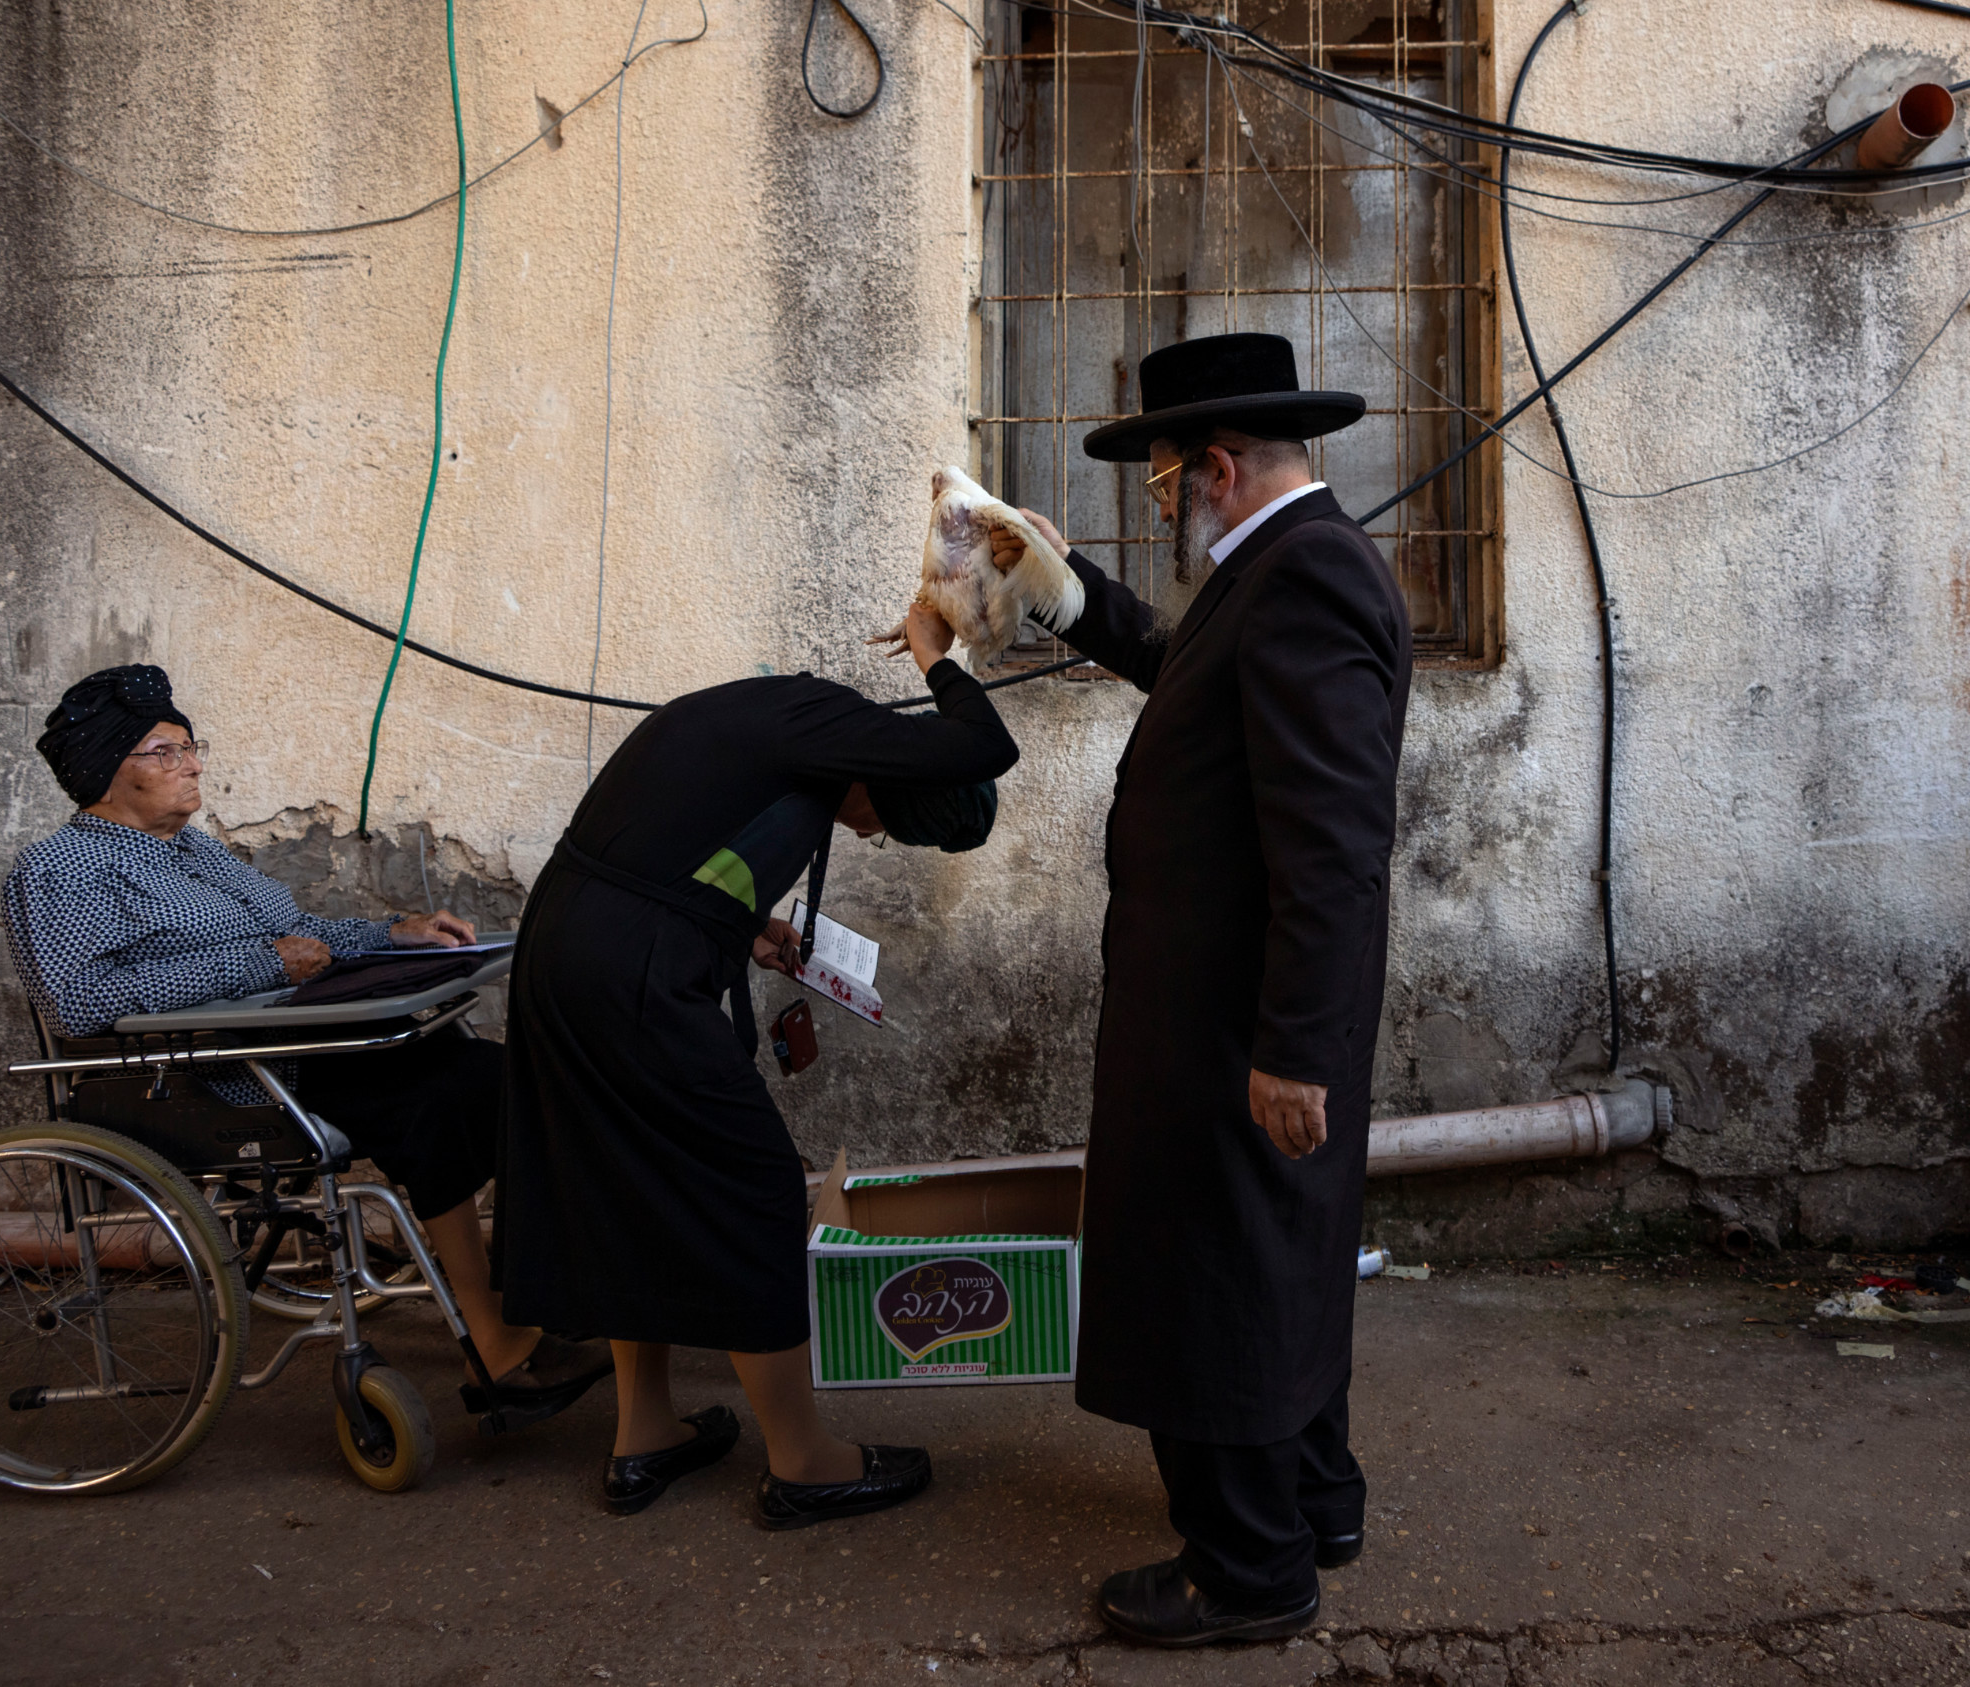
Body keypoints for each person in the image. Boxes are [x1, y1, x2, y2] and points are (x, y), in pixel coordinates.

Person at [987, 332, 1412, 1645]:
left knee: (1216, 1273)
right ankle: (1311, 1497)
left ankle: (1247, 1566)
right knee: (1277, 1255)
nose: (1162, 503)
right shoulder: (1283, 569)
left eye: (1167, 481)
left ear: (1219, 468)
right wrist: (1062, 589)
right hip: (1242, 1010)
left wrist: (1289, 1043)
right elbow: (1191, 672)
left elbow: (1331, 837)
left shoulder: (1302, 582)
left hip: (1240, 1019)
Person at [498, 594, 1018, 1522]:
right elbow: (984, 747)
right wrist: (939, 655)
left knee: (629, 1184)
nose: (869, 834)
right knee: (755, 1188)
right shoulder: (824, 732)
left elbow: (666, 844)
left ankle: (642, 1435)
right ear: (883, 781)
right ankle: (806, 1459)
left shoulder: (778, 719)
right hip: (632, 980)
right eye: (886, 823)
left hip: (565, 949)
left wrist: (745, 929)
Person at [2, 663, 610, 1433]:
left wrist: (394, 936)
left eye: (192, 747)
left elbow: (298, 936)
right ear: (107, 774)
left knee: (500, 1074)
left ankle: (521, 1306)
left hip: (295, 1043)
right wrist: (259, 965)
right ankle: (493, 1338)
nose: (192, 764)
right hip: (214, 1080)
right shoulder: (60, 871)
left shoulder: (198, 851)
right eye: (166, 752)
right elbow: (81, 1000)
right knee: (433, 1094)